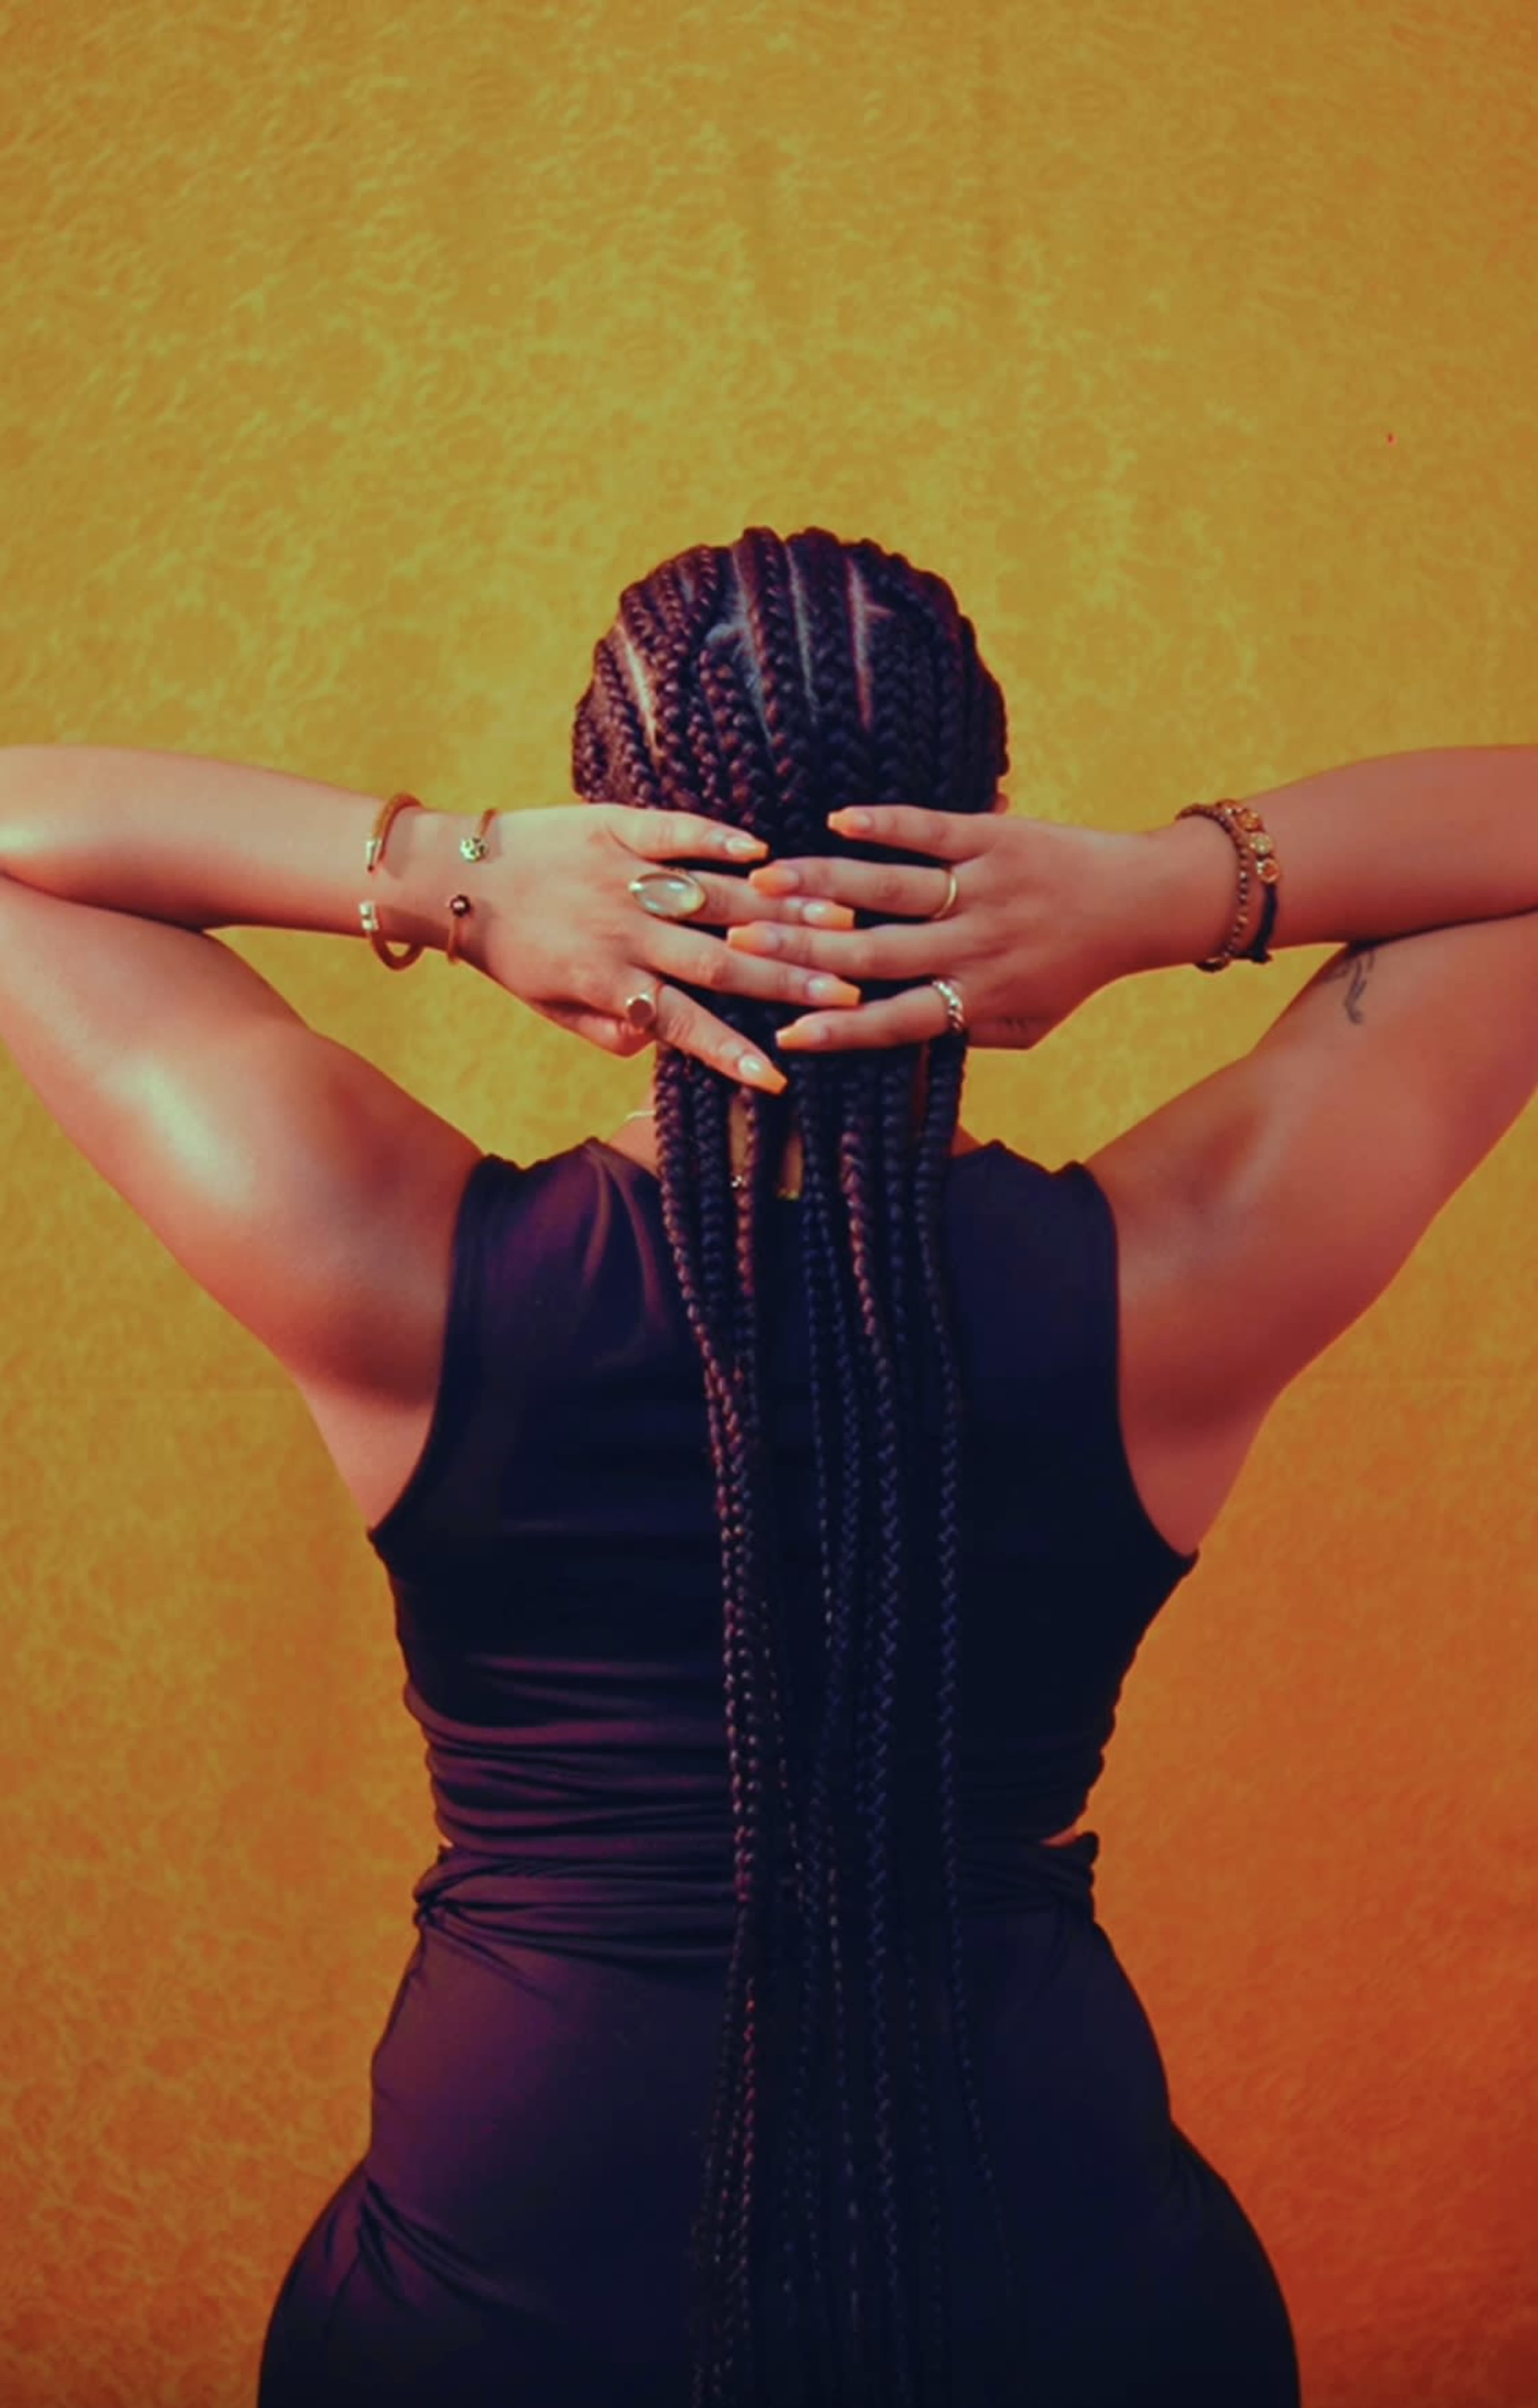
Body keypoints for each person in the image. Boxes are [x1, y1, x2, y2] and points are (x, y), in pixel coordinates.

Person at [0, 528, 1532, 2408]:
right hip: (1059, 2272)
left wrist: (449, 875)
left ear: (605, 838)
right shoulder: (1182, 1280)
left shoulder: (397, 1269)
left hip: (509, 2275)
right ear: (987, 830)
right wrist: (1166, 893)